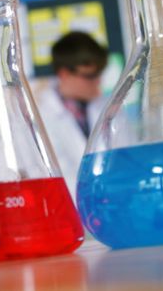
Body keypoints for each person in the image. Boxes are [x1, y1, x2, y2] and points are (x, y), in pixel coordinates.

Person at [36, 31, 109, 201]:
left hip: (111, 207)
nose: (98, 82)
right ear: (64, 74)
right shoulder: (40, 114)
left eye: (98, 75)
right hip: (65, 211)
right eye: (89, 76)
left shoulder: (109, 109)